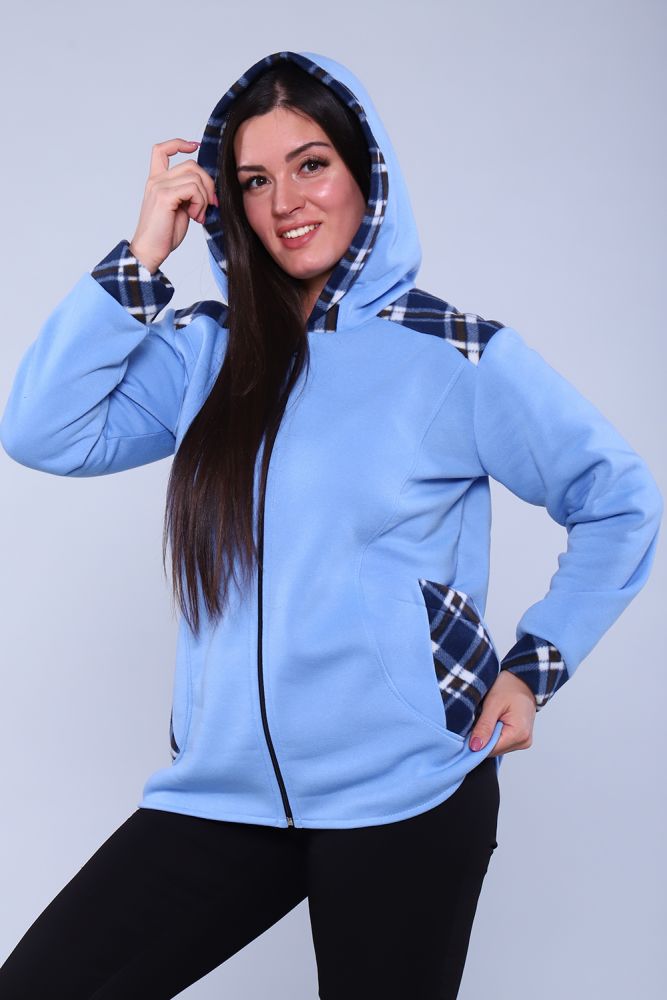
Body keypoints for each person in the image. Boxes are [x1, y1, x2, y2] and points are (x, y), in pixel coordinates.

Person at [0, 49, 662, 1000]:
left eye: (310, 165)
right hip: (224, 793)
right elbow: (41, 429)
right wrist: (142, 253)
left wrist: (534, 666)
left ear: (366, 173)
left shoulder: (454, 353)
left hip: (405, 792)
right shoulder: (206, 351)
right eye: (253, 181)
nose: (285, 203)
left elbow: (617, 498)